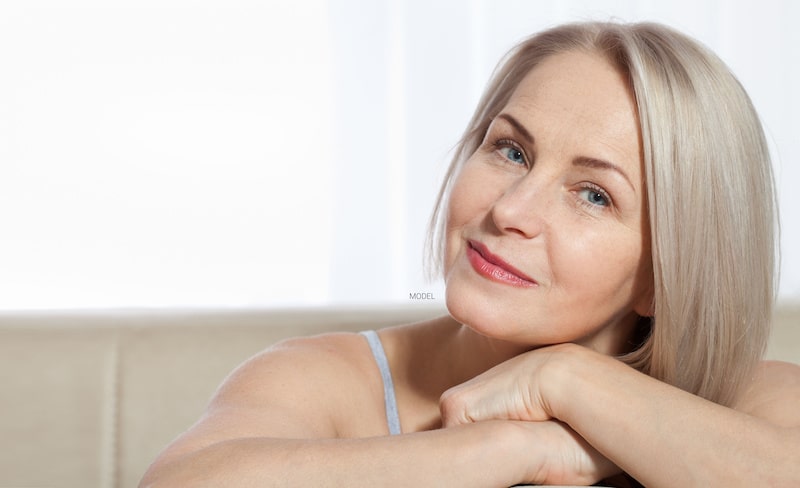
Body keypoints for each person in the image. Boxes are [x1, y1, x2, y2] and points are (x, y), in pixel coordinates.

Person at [140, 21, 800, 487]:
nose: (508, 211)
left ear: (666, 275)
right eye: (510, 150)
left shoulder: (746, 405)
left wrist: (566, 380)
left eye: (593, 195)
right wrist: (517, 449)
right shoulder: (327, 381)